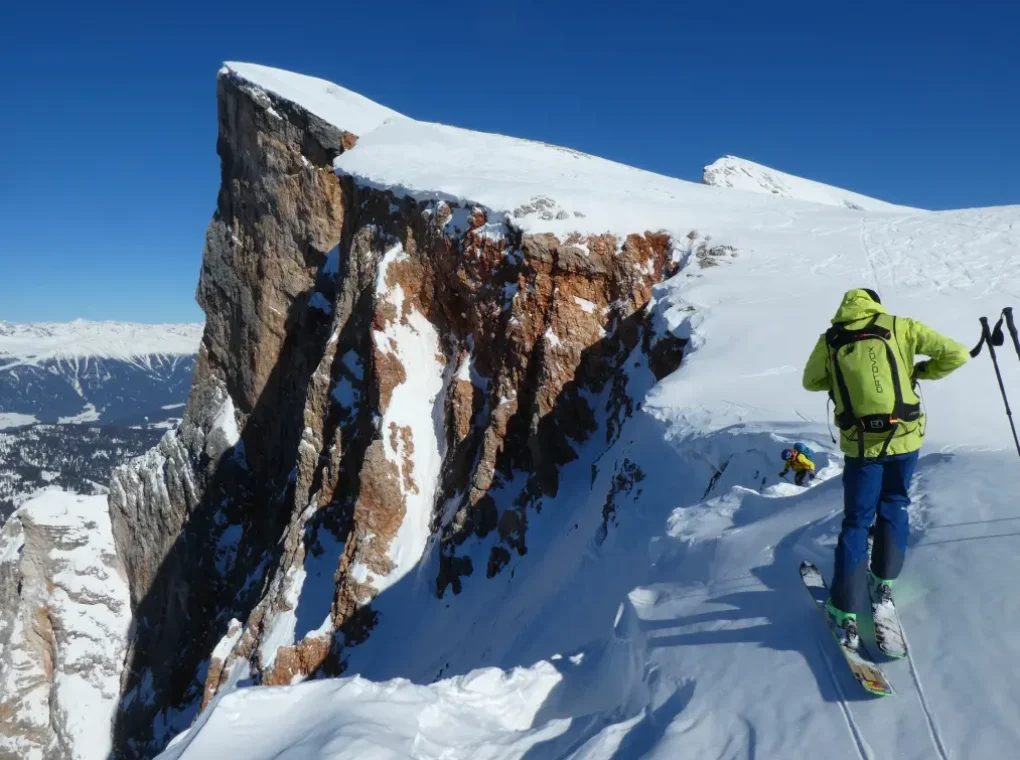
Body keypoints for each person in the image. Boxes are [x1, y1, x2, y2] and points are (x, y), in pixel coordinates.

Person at [802, 288, 968, 646]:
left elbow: (810, 381)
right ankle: (883, 580)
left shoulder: (831, 338)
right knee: (895, 503)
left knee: (857, 520)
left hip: (862, 445)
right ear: (876, 303)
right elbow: (956, 353)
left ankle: (843, 608)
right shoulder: (901, 326)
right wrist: (920, 370)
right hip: (905, 436)